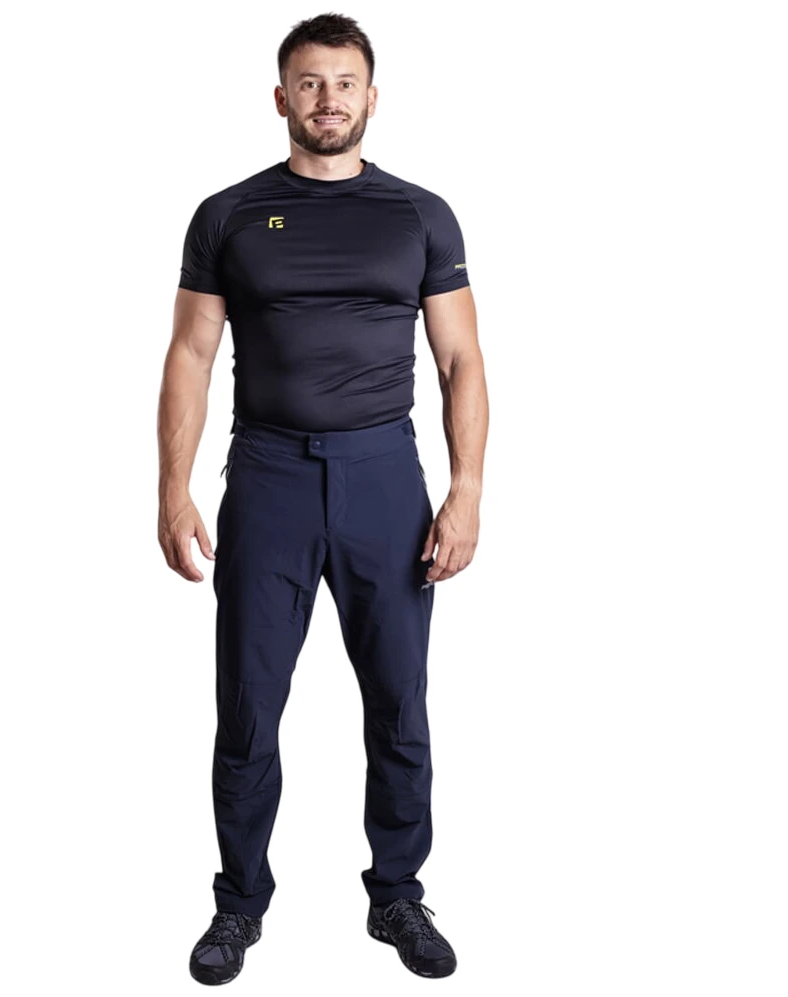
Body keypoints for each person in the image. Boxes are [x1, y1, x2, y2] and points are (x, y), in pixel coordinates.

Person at [157, 12, 488, 986]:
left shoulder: (420, 215)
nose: (327, 99)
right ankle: (238, 903)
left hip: (385, 476)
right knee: (248, 706)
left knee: (398, 701)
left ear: (371, 97)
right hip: (268, 478)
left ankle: (397, 893)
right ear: (280, 97)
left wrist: (466, 489)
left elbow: (462, 360)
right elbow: (190, 353)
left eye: (344, 82)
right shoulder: (227, 215)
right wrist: (172, 488)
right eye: (309, 82)